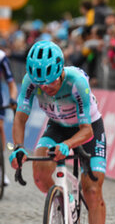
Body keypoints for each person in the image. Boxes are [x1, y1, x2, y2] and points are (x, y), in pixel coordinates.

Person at [9, 41, 106, 224]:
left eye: (51, 81)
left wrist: (67, 145)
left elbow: (87, 131)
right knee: (39, 174)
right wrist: (18, 148)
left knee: (92, 191)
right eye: (40, 84)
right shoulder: (29, 81)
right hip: (57, 125)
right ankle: (63, 199)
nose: (45, 88)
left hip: (87, 128)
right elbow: (20, 118)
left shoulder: (76, 81)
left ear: (61, 70)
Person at [0, 49, 18, 185]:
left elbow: (11, 84)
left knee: (0, 127)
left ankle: (1, 170)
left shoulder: (2, 57)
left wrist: (12, 99)